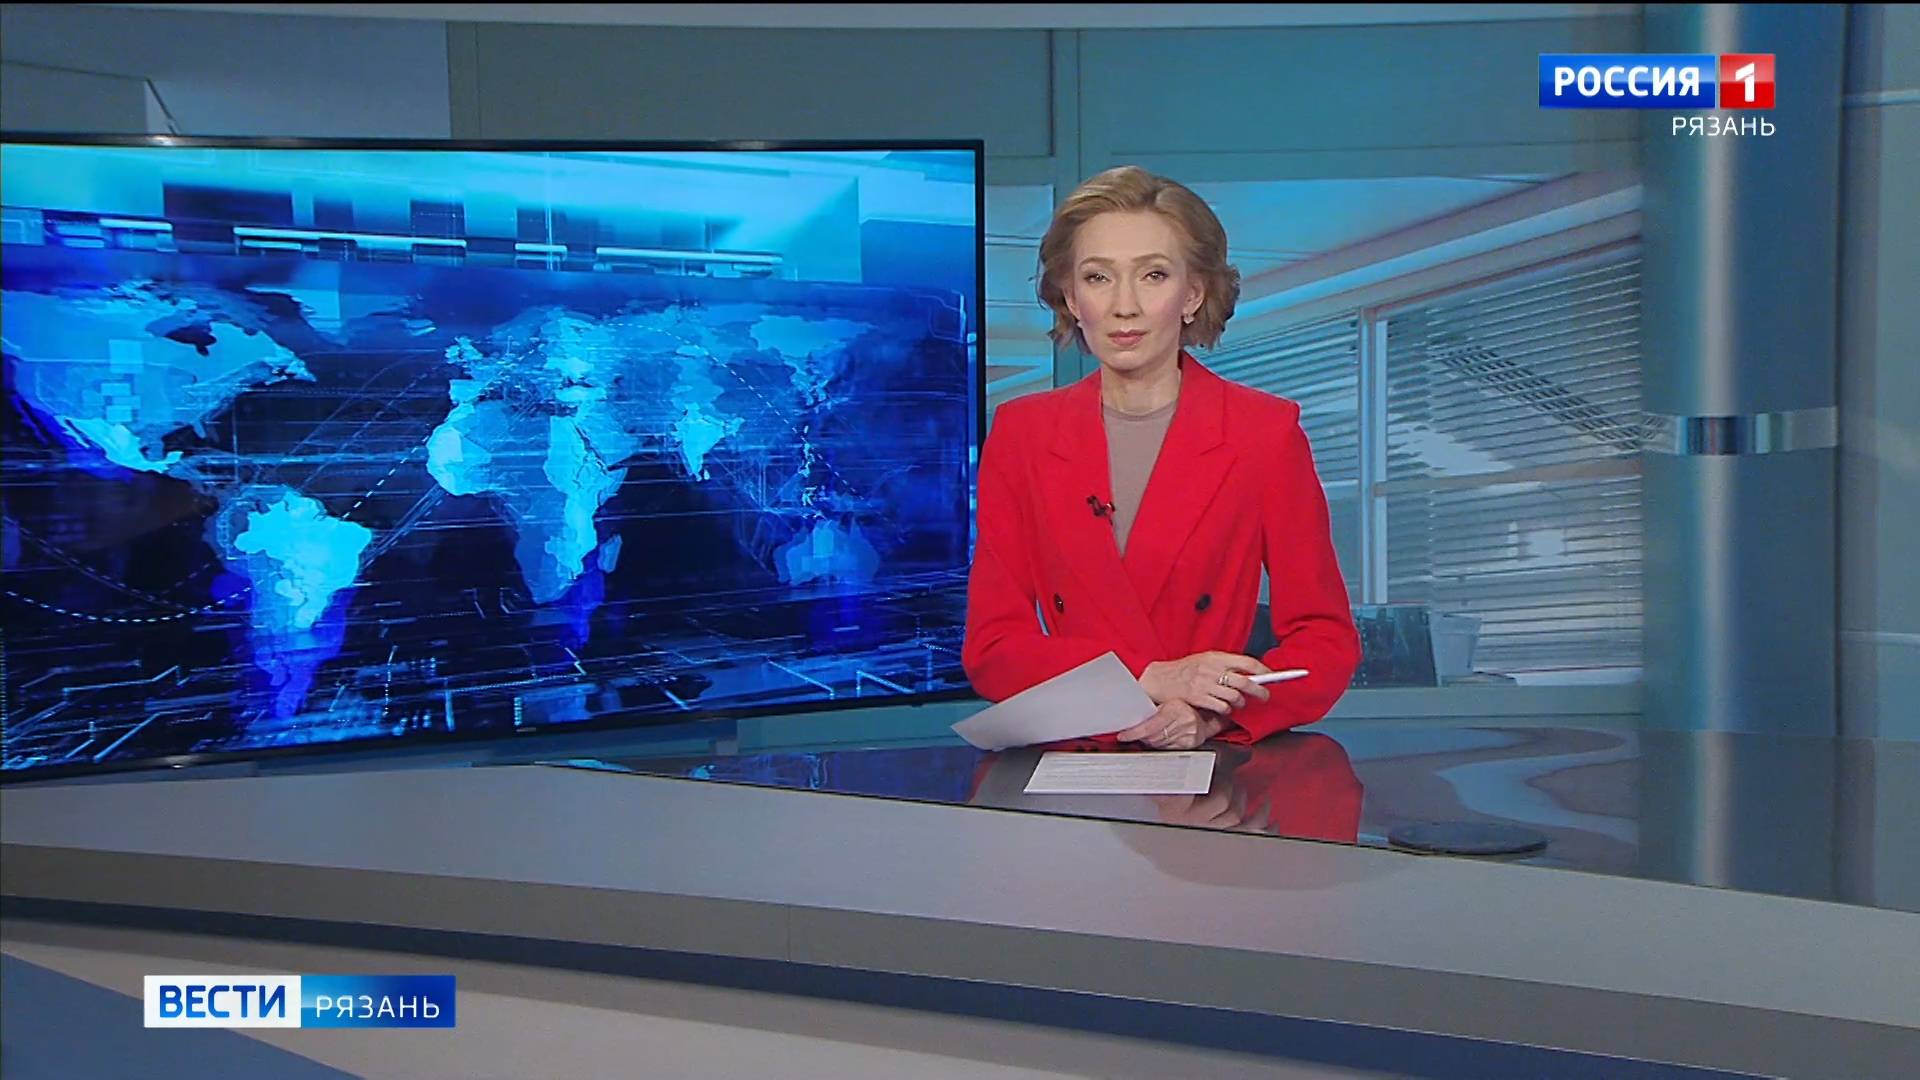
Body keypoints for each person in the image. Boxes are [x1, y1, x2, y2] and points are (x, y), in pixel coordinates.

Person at [961, 165, 1361, 750]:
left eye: (1153, 275)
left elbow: (1324, 642)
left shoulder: (1263, 433)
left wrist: (1214, 714)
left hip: (1206, 764)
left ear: (1192, 294)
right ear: (1071, 298)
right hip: (1076, 756)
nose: (1124, 306)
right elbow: (993, 649)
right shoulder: (1023, 434)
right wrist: (1152, 676)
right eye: (1098, 277)